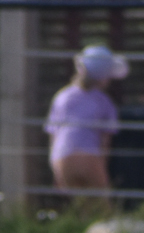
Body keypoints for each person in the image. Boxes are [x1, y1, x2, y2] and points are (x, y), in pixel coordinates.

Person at [45, 45, 127, 205]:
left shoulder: (61, 97)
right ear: (104, 78)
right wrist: (102, 169)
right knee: (101, 206)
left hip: (62, 157)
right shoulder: (105, 102)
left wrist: (56, 170)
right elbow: (105, 142)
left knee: (79, 206)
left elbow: (54, 135)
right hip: (90, 156)